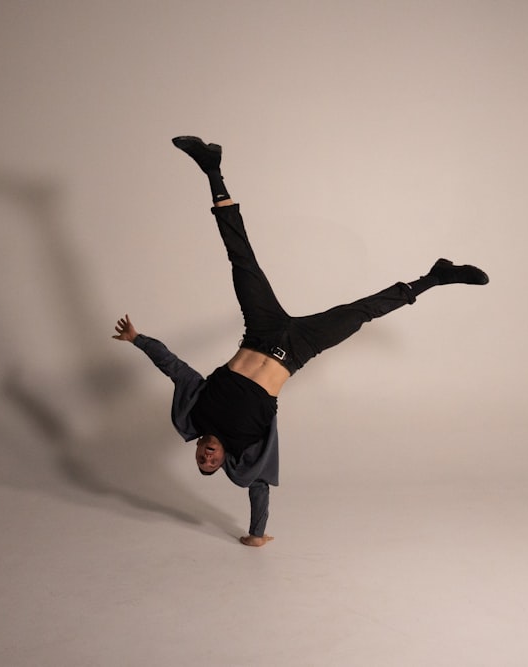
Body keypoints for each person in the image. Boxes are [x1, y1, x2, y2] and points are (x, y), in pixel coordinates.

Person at [112, 136, 488, 547]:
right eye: (211, 463)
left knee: (242, 260)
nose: (207, 457)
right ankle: (436, 276)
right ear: (221, 462)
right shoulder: (246, 448)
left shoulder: (198, 412)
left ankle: (211, 168)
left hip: (261, 329)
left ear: (200, 446)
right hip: (297, 350)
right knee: (362, 312)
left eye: (201, 456)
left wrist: (137, 339)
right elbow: (259, 489)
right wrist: (257, 534)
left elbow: (175, 368)